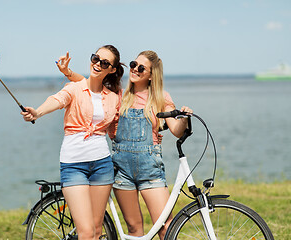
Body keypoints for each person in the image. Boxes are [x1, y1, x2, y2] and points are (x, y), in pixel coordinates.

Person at [57, 50, 192, 240]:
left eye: (141, 67)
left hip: (150, 171)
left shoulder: (161, 97)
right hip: (122, 172)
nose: (134, 69)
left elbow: (177, 130)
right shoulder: (120, 96)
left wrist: (184, 117)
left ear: (152, 75)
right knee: (134, 228)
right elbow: (89, 84)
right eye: (133, 64)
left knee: (165, 227)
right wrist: (68, 72)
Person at [21, 45, 124, 240]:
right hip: (74, 165)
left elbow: (117, 129)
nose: (97, 64)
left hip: (102, 164)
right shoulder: (74, 88)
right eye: (95, 58)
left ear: (111, 69)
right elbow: (57, 99)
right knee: (85, 232)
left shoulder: (114, 98)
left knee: (96, 231)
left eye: (104, 63)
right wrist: (37, 112)